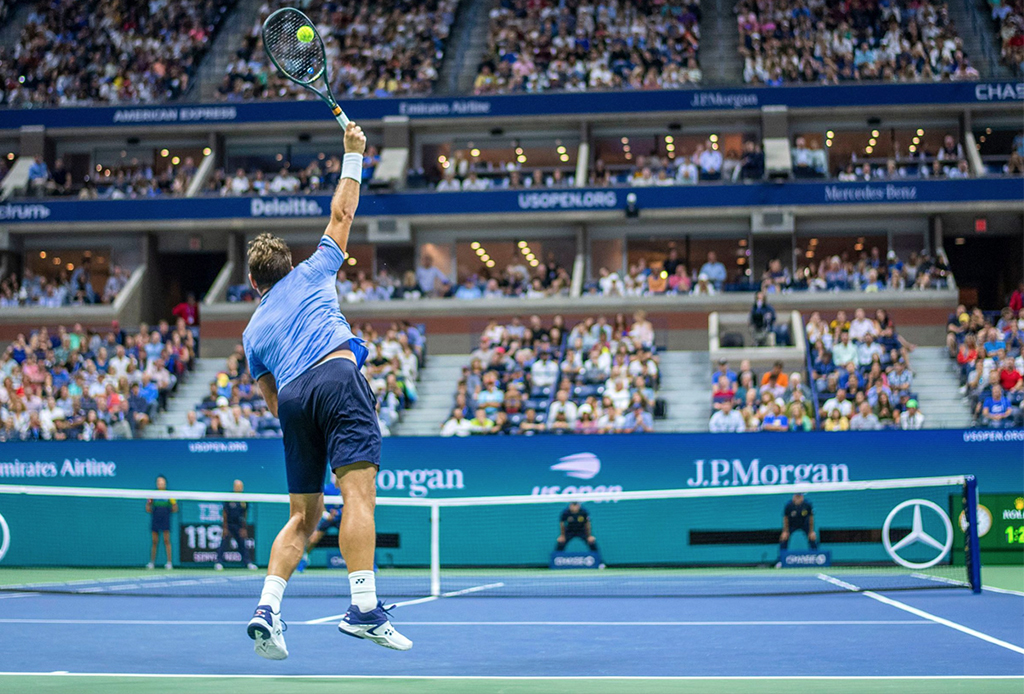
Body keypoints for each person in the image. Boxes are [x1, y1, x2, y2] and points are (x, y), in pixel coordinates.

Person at [241, 122, 411, 660]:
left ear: (253, 285)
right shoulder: (313, 270)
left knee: (303, 517)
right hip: (336, 377)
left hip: (292, 401)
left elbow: (272, 401)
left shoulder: (250, 333)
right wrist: (353, 154)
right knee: (357, 496)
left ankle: (267, 608)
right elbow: (342, 215)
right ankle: (363, 607)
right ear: (287, 267)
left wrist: (307, 411)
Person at [297, 472, 344, 572]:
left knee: (351, 539)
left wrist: (339, 512)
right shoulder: (327, 489)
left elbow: (350, 504)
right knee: (313, 539)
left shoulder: (345, 489)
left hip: (341, 518)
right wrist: (326, 514)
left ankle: (369, 564)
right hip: (328, 518)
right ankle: (304, 559)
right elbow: (320, 502)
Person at [215, 479, 258, 571]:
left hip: (239, 526)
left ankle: (248, 562)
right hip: (229, 524)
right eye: (237, 486)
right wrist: (225, 527)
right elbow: (225, 512)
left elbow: (245, 514)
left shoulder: (244, 499)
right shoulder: (229, 497)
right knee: (224, 543)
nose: (239, 488)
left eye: (241, 487)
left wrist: (244, 528)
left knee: (242, 544)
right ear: (234, 487)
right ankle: (219, 562)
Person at [145, 475, 177, 570]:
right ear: (157, 484)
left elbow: (175, 507)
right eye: (159, 482)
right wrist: (153, 510)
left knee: (167, 541)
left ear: (165, 483)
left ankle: (169, 563)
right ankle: (152, 563)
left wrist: (166, 511)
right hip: (155, 519)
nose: (160, 484)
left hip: (165, 519)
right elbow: (148, 506)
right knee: (154, 541)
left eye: (162, 482)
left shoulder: (169, 495)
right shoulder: (153, 495)